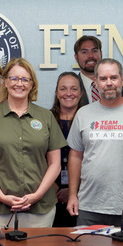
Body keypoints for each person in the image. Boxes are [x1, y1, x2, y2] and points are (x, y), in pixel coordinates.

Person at [0, 58, 66, 228]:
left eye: (24, 79)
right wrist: (1, 196)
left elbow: (55, 165)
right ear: (5, 82)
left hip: (40, 209)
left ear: (32, 84)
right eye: (14, 78)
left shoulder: (46, 117)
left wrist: (37, 195)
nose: (19, 84)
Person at [67, 58, 123, 226]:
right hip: (88, 207)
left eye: (113, 78)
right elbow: (75, 157)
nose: (108, 83)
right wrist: (73, 195)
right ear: (95, 83)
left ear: (122, 80)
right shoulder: (83, 114)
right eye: (103, 79)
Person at [49, 72, 85, 227]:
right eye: (63, 89)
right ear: (57, 93)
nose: (68, 93)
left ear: (81, 93)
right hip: (50, 193)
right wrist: (55, 188)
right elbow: (37, 158)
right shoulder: (46, 120)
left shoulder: (89, 119)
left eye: (73, 89)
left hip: (84, 194)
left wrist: (73, 190)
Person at [73, 35, 123, 104]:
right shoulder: (72, 86)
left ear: (101, 54)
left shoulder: (115, 83)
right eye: (84, 52)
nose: (90, 55)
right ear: (76, 57)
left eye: (94, 51)